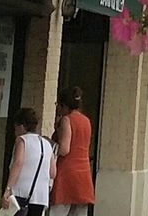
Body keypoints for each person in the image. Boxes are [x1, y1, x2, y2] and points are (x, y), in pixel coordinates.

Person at [49, 86, 96, 216]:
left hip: (67, 172)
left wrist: (50, 145)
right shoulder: (86, 121)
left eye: (58, 104)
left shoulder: (66, 120)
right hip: (84, 173)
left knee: (59, 211)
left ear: (63, 105)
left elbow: (64, 149)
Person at [1, 107, 56, 215]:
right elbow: (53, 172)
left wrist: (8, 189)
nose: (15, 131)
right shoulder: (47, 144)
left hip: (21, 193)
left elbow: (18, 163)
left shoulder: (22, 140)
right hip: (40, 197)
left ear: (21, 126)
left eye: (15, 127)